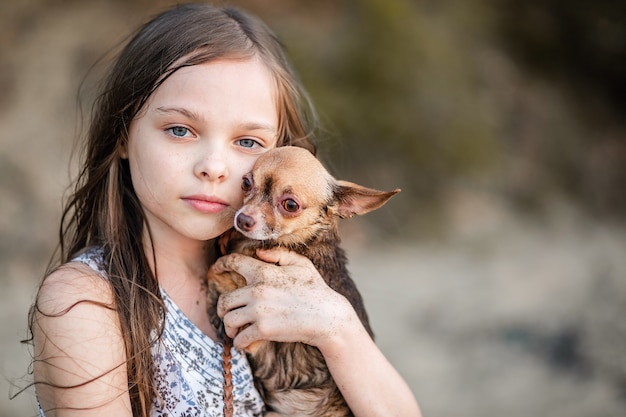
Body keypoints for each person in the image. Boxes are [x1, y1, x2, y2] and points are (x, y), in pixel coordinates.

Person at [28, 3, 422, 417]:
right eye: (180, 130)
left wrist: (338, 328)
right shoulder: (85, 304)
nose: (214, 168)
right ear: (123, 136)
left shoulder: (278, 275)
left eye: (248, 143)